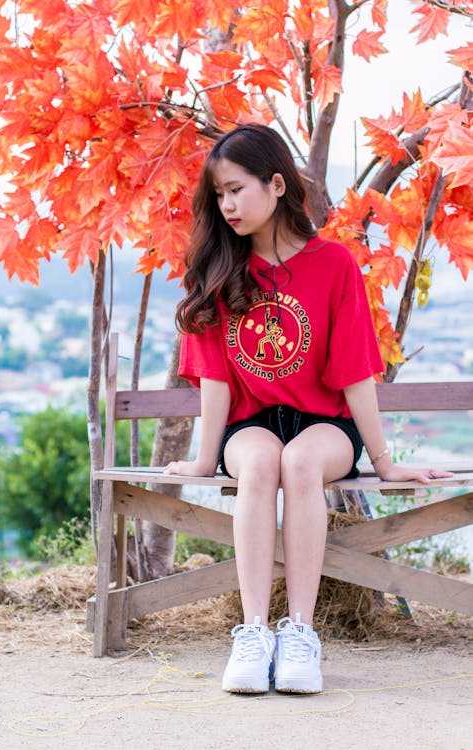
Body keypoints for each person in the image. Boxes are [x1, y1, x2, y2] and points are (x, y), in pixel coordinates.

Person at [164, 123, 452, 695]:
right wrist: (202, 461)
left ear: (276, 185)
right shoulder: (220, 272)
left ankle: (299, 633)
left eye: (236, 190)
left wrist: (385, 461)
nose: (226, 206)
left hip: (325, 427)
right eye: (218, 195)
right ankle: (252, 633)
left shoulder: (333, 265)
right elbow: (217, 379)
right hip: (250, 425)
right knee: (263, 462)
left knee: (298, 462)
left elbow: (353, 373)